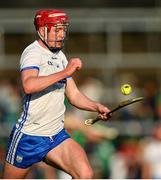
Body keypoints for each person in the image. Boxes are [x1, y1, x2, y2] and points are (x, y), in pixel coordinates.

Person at [3, 9, 111, 179]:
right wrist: (65, 72)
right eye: (57, 29)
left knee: (85, 174)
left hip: (56, 136)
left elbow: (74, 94)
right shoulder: (33, 53)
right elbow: (29, 85)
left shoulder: (60, 56)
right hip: (29, 137)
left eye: (63, 30)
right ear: (42, 30)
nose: (62, 35)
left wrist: (96, 106)